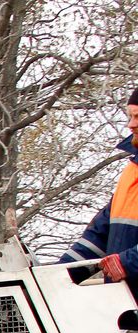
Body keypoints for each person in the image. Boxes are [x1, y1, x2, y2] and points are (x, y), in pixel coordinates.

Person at [58, 88, 138, 296]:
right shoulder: (132, 172)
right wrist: (56, 276)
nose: (131, 125)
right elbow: (99, 236)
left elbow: (123, 262)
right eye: (130, 116)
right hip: (126, 306)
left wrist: (127, 262)